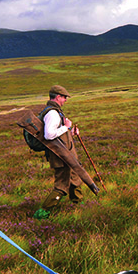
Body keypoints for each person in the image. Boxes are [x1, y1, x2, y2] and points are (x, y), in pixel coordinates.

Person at [34, 85, 86, 218]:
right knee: (62, 186)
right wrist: (67, 128)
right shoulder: (52, 114)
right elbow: (49, 135)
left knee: (75, 178)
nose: (65, 100)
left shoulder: (55, 111)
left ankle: (78, 205)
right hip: (61, 156)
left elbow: (59, 134)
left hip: (65, 154)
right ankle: (43, 212)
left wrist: (70, 132)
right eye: (64, 97)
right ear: (58, 97)